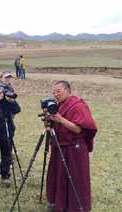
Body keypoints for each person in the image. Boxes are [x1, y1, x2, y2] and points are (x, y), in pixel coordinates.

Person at [46, 80, 98, 212]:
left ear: (68, 90)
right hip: (60, 146)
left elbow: (79, 129)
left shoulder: (78, 105)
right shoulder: (59, 105)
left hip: (74, 149)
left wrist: (60, 119)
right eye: (54, 92)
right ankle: (58, 204)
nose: (55, 94)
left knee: (75, 178)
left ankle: (75, 207)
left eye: (58, 91)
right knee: (58, 176)